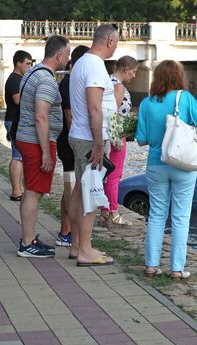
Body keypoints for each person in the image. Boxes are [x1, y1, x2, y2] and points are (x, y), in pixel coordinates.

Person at [136, 60, 197, 278]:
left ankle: (152, 265)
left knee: (157, 215)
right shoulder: (185, 98)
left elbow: (141, 140)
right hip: (182, 164)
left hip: (156, 163)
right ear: (178, 77)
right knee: (180, 217)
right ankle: (177, 269)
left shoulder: (146, 103)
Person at [68, 24, 119, 266]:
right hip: (89, 139)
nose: (116, 47)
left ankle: (77, 244)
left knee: (80, 189)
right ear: (110, 40)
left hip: (79, 135)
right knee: (91, 192)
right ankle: (85, 250)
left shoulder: (81, 62)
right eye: (117, 42)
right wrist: (99, 144)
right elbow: (94, 108)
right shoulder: (96, 66)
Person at [15, 36, 70, 258]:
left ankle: (28, 238)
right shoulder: (46, 81)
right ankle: (27, 244)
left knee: (31, 190)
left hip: (27, 137)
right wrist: (46, 151)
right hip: (36, 142)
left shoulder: (32, 72)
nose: (67, 59)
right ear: (59, 55)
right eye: (67, 54)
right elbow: (41, 117)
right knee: (34, 192)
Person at [55, 45, 90, 248]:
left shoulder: (70, 81)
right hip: (69, 142)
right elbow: (69, 116)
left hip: (68, 139)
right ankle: (68, 232)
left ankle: (66, 230)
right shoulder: (69, 82)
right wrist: (76, 141)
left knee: (70, 186)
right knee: (71, 186)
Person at [100, 55, 139, 226]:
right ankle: (113, 212)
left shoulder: (107, 80)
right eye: (134, 72)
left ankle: (105, 212)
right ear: (126, 69)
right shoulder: (118, 86)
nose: (134, 76)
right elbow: (114, 112)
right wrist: (116, 139)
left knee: (106, 175)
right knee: (114, 175)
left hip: (108, 133)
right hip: (116, 134)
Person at [4, 50, 32, 201]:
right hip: (14, 121)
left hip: (15, 121)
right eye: (27, 63)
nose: (29, 66)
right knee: (17, 156)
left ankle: (18, 189)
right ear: (18, 63)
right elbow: (18, 100)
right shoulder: (15, 79)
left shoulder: (18, 78)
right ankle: (16, 191)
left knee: (18, 156)